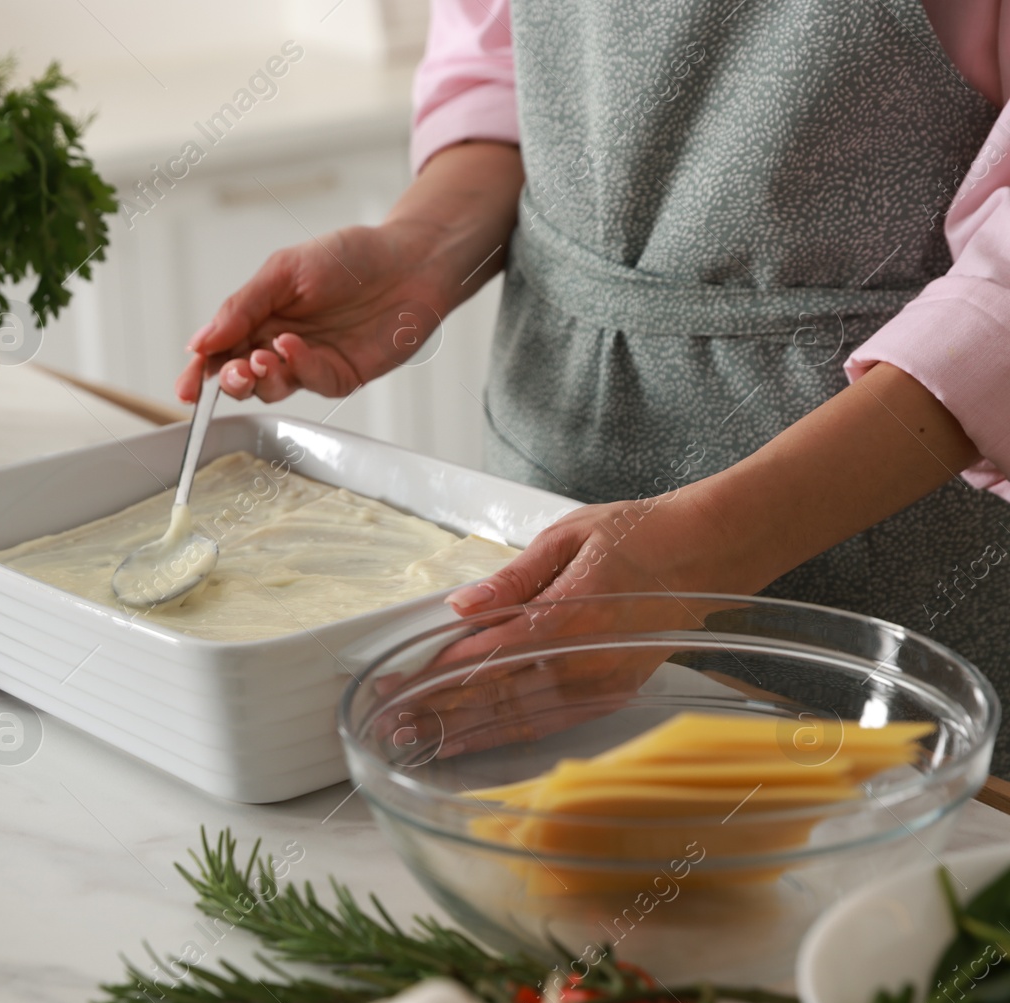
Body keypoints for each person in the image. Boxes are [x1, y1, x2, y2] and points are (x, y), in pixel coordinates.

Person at [176, 0, 1010, 770]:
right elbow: (499, 52)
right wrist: (425, 246)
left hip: (896, 550)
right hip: (548, 463)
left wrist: (703, 551)